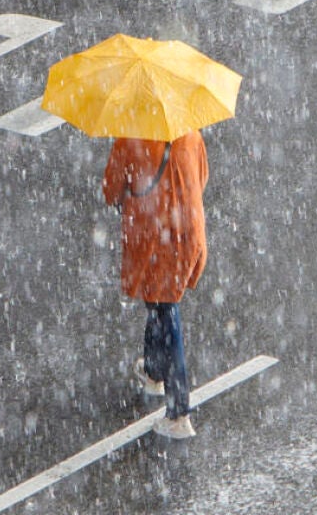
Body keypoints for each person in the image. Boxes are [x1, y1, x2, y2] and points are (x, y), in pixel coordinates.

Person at [102, 129, 209, 439]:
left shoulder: (130, 138)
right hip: (188, 231)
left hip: (153, 238)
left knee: (165, 310)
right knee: (159, 302)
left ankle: (179, 412)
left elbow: (111, 191)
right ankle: (153, 372)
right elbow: (201, 177)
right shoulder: (190, 134)